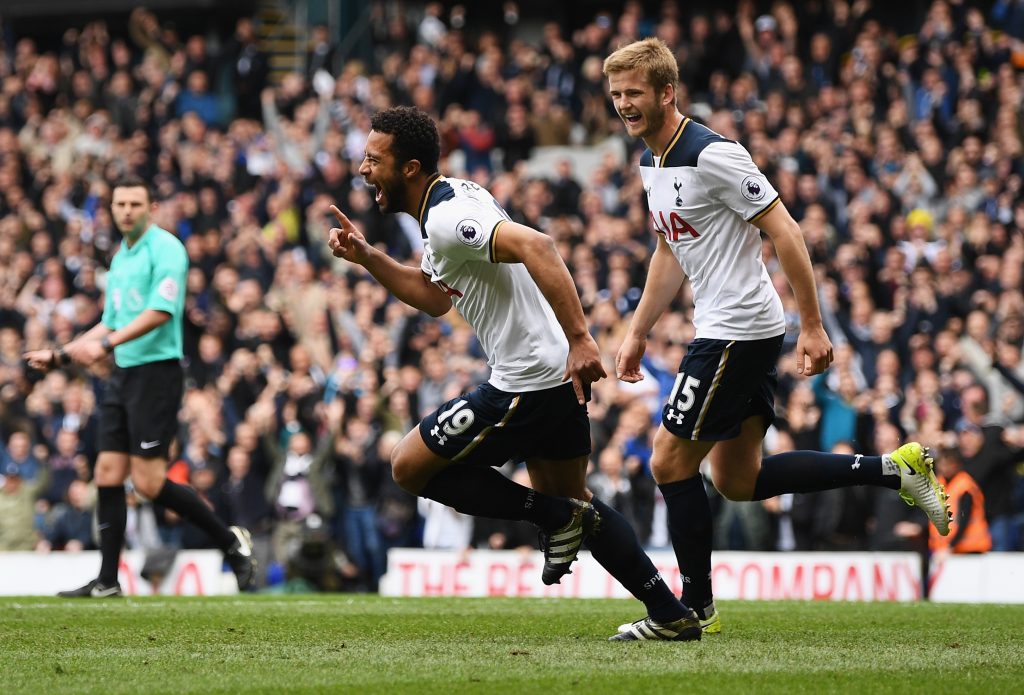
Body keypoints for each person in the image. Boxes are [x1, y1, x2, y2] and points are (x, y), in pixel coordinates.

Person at [602, 38, 951, 637]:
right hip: (730, 328)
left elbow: (786, 232)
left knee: (666, 461)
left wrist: (811, 324)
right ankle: (895, 470)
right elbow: (668, 248)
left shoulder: (714, 154)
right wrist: (637, 333)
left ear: (667, 92)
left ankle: (689, 610)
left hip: (737, 330)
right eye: (615, 95)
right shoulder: (652, 162)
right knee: (738, 481)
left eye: (634, 93)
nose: (624, 104)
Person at [328, 106, 701, 641]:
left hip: (526, 381)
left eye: (372, 159)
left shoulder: (446, 217)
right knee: (580, 506)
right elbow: (435, 298)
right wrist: (368, 257)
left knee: (408, 466)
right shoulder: (452, 198)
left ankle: (549, 517)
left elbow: (538, 245)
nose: (363, 170)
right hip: (554, 379)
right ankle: (668, 612)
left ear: (408, 168)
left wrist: (580, 338)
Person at [25, 177, 256, 597]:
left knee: (149, 483)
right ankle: (108, 581)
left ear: (151, 209)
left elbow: (160, 312)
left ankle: (230, 542)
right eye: (120, 204)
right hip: (123, 375)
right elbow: (110, 321)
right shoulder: (120, 259)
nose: (126, 211)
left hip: (157, 375)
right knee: (107, 473)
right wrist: (60, 354)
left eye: (135, 203)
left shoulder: (167, 249)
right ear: (111, 209)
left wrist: (106, 345)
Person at [930, 447, 991, 558]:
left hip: (970, 547)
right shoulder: (938, 484)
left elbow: (965, 519)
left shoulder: (965, 486)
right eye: (942, 464)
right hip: (943, 549)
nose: (945, 468)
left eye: (948, 464)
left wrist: (951, 545)